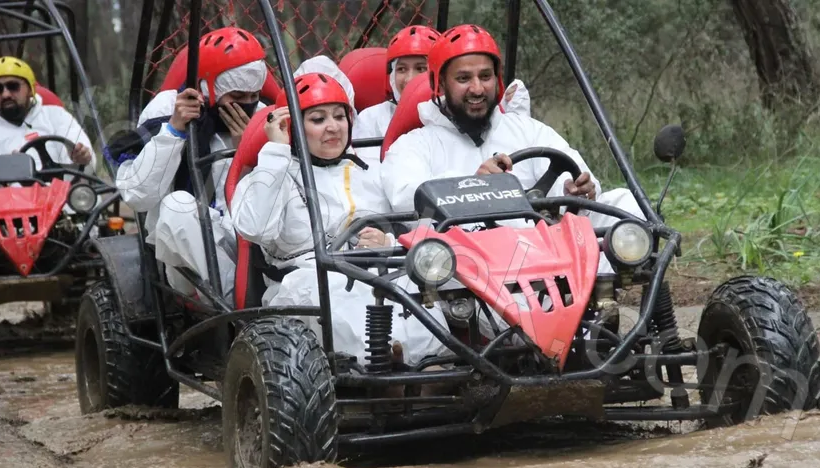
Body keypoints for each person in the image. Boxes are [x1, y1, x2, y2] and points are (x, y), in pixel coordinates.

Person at [230, 65, 449, 367]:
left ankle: (428, 365)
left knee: (414, 284)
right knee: (331, 293)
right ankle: (380, 371)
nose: (333, 127)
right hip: (306, 278)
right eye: (318, 119)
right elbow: (255, 228)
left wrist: (386, 238)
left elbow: (411, 225)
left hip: (375, 267)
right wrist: (275, 153)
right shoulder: (271, 173)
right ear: (291, 126)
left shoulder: (371, 169)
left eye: (339, 116)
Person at [380, 24, 643, 243]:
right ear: (439, 84)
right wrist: (471, 187)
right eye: (463, 79)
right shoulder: (413, 146)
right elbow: (407, 203)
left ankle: (611, 302)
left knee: (627, 203)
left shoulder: (527, 130)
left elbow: (577, 181)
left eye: (485, 76)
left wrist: (580, 191)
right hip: (465, 279)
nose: (477, 89)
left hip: (547, 260)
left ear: (498, 79)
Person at [111, 27, 269, 303]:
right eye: (237, 98)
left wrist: (248, 150)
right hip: (188, 254)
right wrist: (174, 131)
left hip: (249, 243)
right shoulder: (167, 107)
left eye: (253, 96)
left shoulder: (261, 115)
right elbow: (138, 195)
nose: (247, 105)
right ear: (208, 89)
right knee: (176, 206)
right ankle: (240, 311)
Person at [353, 25, 531, 156]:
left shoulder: (476, 112)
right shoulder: (371, 119)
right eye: (401, 69)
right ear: (390, 75)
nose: (410, 79)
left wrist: (515, 112)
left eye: (420, 68)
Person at [0, 56, 95, 172]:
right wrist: (11, 169)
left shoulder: (57, 116)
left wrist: (82, 158)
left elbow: (88, 163)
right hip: (13, 195)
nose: (5, 94)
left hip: (65, 193)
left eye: (13, 86)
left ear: (30, 89)